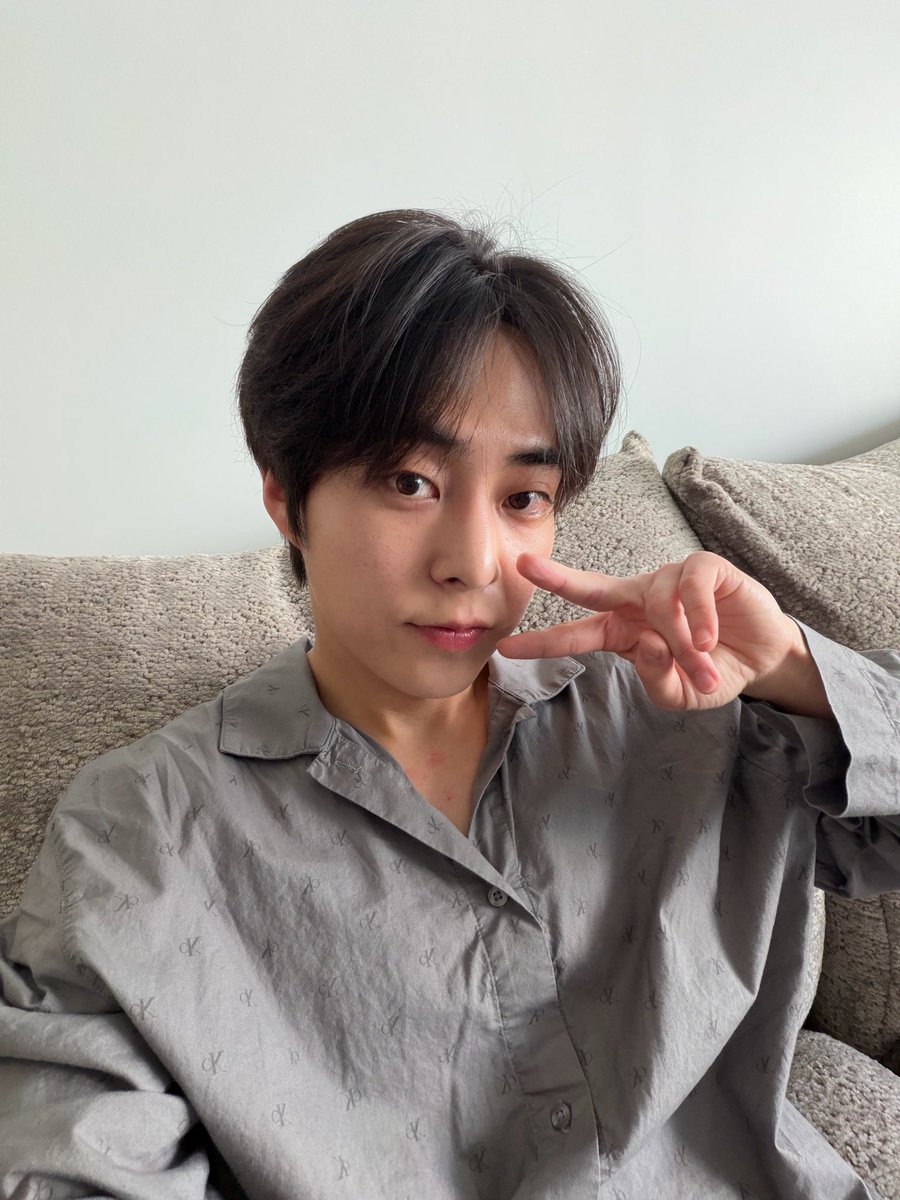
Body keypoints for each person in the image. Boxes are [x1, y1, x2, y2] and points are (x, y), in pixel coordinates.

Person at [1, 208, 898, 1200]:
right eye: (410, 481)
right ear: (286, 496)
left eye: (522, 498)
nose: (473, 563)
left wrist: (793, 668)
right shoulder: (137, 834)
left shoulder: (674, 712)